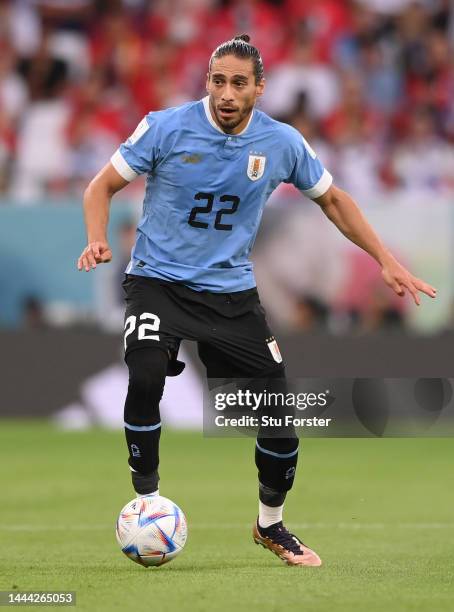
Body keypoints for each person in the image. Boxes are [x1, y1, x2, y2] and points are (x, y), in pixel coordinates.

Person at [77, 35, 436, 567]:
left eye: (238, 83)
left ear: (259, 89)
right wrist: (96, 237)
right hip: (158, 282)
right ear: (207, 81)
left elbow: (333, 200)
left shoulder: (282, 143)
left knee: (278, 414)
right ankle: (148, 499)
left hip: (231, 295)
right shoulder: (165, 126)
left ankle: (271, 525)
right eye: (218, 80)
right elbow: (99, 187)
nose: (226, 92)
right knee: (147, 372)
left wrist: (384, 258)